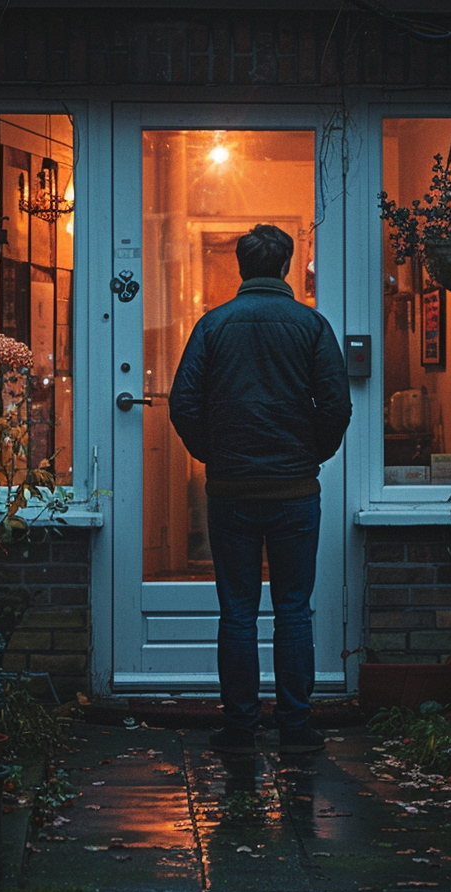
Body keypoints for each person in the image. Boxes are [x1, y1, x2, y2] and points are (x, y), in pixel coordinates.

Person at [169, 224, 352, 754]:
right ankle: (296, 728)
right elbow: (336, 407)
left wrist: (214, 456)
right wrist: (307, 457)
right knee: (294, 608)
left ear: (242, 269)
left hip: (230, 492)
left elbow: (184, 406)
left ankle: (241, 727)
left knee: (238, 611)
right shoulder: (312, 327)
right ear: (287, 267)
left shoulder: (212, 326)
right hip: (295, 492)